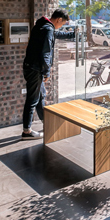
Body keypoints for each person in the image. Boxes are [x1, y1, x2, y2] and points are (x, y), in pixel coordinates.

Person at [21, 9, 75, 139]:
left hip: (31, 66)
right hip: (35, 69)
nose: (61, 26)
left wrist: (71, 34)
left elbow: (55, 35)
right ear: (59, 20)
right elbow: (45, 53)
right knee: (33, 99)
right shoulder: (48, 29)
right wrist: (46, 72)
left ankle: (47, 123)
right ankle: (26, 132)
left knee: (40, 96)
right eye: (62, 24)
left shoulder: (42, 26)